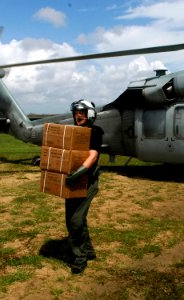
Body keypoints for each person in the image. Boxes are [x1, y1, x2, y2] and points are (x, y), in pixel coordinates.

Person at [64, 99, 103, 274]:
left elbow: (93, 154)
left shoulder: (95, 132)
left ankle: (80, 257)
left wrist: (81, 171)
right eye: (75, 113)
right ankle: (88, 251)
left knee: (75, 221)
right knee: (74, 219)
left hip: (87, 182)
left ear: (90, 114)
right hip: (72, 182)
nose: (78, 115)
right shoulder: (73, 133)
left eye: (81, 112)